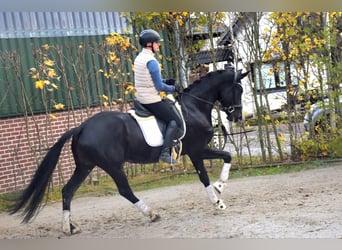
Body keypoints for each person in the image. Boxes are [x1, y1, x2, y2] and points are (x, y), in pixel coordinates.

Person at [134, 29, 182, 164]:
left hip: (141, 98)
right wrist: (173, 88)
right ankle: (165, 153)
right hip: (151, 99)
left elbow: (148, 79)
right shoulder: (151, 61)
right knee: (174, 121)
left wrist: (166, 81)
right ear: (149, 44)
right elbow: (159, 87)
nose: (159, 45)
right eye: (157, 43)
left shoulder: (139, 58)